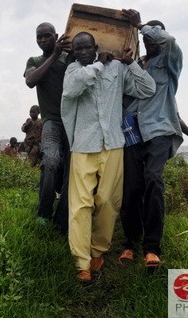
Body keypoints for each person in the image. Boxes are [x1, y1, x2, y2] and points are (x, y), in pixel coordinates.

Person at [62, 32, 156, 283]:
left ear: (95, 46)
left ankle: (97, 251)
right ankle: (82, 263)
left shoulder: (116, 68)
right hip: (83, 145)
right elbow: (72, 89)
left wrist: (130, 63)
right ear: (74, 51)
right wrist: (98, 64)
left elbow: (148, 89)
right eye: (77, 49)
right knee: (80, 205)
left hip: (113, 143)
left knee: (108, 202)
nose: (82, 52)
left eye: (86, 48)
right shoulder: (73, 70)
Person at [118, 9, 188, 269]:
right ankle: (130, 242)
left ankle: (152, 248)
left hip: (160, 132)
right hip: (132, 133)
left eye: (154, 36)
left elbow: (169, 40)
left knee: (153, 180)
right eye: (146, 38)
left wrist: (141, 25)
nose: (149, 41)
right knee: (131, 187)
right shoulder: (135, 63)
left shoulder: (170, 61)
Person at [24, 22, 72, 232]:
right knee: (51, 162)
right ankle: (43, 212)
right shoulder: (34, 61)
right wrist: (54, 56)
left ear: (56, 35)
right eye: (39, 37)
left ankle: (62, 217)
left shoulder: (69, 58)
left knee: (72, 171)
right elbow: (30, 81)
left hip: (73, 121)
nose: (42, 40)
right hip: (51, 121)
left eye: (47, 36)